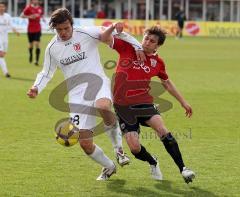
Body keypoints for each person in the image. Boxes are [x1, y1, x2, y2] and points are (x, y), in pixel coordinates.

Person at [27, 8, 145, 180]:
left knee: (103, 106)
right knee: (85, 143)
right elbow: (46, 72)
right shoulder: (52, 48)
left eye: (66, 28)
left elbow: (116, 33)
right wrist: (36, 87)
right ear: (54, 28)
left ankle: (118, 149)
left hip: (97, 81)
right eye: (59, 29)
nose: (63, 32)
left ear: (71, 24)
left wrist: (137, 46)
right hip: (76, 95)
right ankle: (109, 167)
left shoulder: (86, 33)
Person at [104, 25, 195, 183]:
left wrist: (183, 102)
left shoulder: (158, 62)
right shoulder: (127, 48)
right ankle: (153, 161)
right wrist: (114, 26)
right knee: (134, 148)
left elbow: (166, 83)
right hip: (123, 107)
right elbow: (106, 38)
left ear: (158, 46)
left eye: (152, 41)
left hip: (144, 103)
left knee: (162, 130)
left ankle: (183, 169)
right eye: (146, 38)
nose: (147, 42)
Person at [20, 0, 43, 66]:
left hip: (38, 28)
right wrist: (29, 16)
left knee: (37, 44)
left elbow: (40, 16)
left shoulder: (40, 8)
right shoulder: (28, 8)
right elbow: (21, 15)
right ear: (32, 1)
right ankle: (31, 54)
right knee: (31, 45)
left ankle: (36, 61)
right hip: (30, 29)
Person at [0, 1, 19, 78]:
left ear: (5, 8)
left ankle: (5, 72)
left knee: (3, 54)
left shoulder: (7, 16)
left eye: (2, 7)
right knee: (1, 55)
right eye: (0, 7)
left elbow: (11, 25)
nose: (1, 8)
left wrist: (16, 31)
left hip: (5, 38)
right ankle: (6, 72)